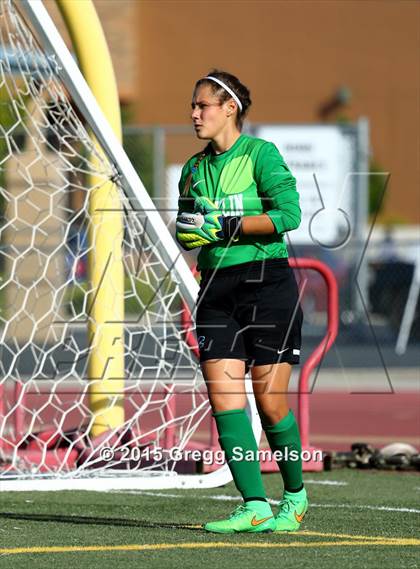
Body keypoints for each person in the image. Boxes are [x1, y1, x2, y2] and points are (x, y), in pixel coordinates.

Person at [176, 70, 307, 534]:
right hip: (215, 290)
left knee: (270, 402)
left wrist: (229, 224)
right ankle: (253, 503)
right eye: (192, 106)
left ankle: (294, 496)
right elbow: (187, 228)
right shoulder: (193, 168)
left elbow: (288, 215)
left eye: (202, 105)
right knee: (225, 400)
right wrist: (191, 230)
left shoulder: (260, 155)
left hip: (266, 285)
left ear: (229, 108)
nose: (194, 114)